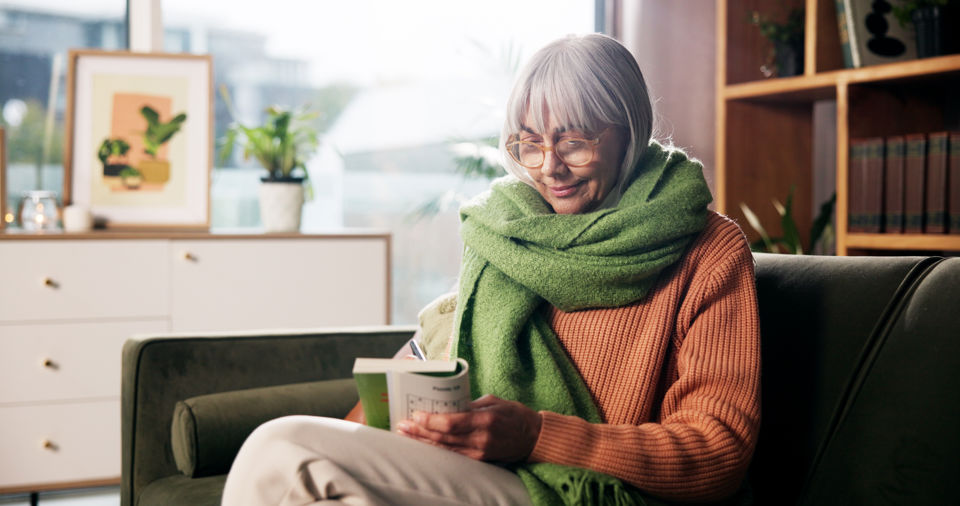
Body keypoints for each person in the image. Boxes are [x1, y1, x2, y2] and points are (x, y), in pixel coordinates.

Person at [221, 33, 760, 506]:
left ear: (629, 132)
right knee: (310, 469)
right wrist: (354, 438)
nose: (549, 166)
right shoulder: (510, 229)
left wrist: (535, 436)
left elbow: (719, 451)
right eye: (529, 143)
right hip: (481, 468)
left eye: (573, 141)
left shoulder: (708, 251)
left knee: (282, 450)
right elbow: (430, 350)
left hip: (581, 489)